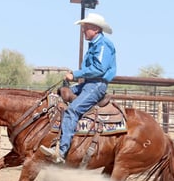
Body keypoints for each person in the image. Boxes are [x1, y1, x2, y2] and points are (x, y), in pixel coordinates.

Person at [40, 13, 117, 163]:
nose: (83, 31)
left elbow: (99, 69)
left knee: (73, 110)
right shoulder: (95, 44)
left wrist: (75, 74)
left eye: (86, 28)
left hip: (96, 85)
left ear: (95, 29)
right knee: (57, 95)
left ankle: (61, 151)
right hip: (87, 84)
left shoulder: (103, 44)